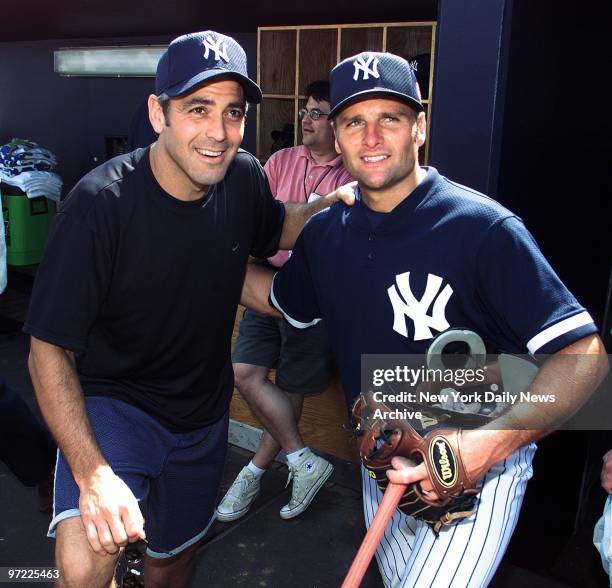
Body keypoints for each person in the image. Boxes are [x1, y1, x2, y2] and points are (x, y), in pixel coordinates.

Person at [241, 52, 608, 587]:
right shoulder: (326, 233)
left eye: (389, 118)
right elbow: (276, 297)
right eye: (353, 122)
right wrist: (205, 253)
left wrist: (486, 446)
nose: (371, 138)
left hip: (481, 460)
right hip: (381, 454)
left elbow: (586, 357)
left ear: (420, 127)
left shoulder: (482, 228)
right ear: (336, 138)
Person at [24, 31, 354, 588]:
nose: (218, 132)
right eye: (198, 109)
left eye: (233, 113)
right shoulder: (99, 205)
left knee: (172, 560)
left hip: (200, 412)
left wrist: (339, 203)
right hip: (116, 402)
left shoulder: (243, 176)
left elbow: (282, 226)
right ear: (159, 114)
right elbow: (45, 350)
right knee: (87, 563)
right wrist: (93, 471)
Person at [216, 80, 353, 523]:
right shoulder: (277, 160)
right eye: (306, 110)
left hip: (312, 294)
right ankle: (300, 460)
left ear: (337, 123)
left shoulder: (352, 172)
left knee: (292, 387)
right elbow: (259, 222)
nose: (306, 119)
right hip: (265, 281)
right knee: (244, 373)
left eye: (317, 112)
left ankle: (254, 472)